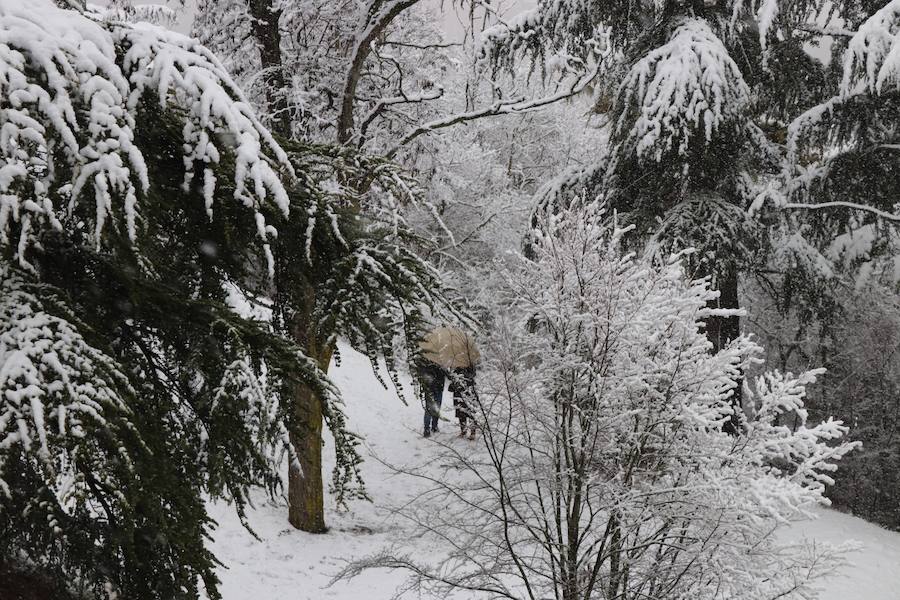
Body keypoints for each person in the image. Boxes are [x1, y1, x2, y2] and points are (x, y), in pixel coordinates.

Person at [418, 358, 446, 438]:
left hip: (438, 388)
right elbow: (424, 374)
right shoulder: (427, 361)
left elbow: (445, 374)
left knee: (436, 408)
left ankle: (434, 426)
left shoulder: (442, 362)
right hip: (430, 389)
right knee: (429, 409)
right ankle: (427, 429)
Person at [449, 365, 477, 440]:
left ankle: (473, 432)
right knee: (460, 412)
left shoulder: (470, 365)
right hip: (458, 392)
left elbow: (472, 375)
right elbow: (452, 379)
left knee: (470, 413)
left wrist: (462, 375)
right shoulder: (456, 367)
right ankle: (463, 431)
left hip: (469, 392)